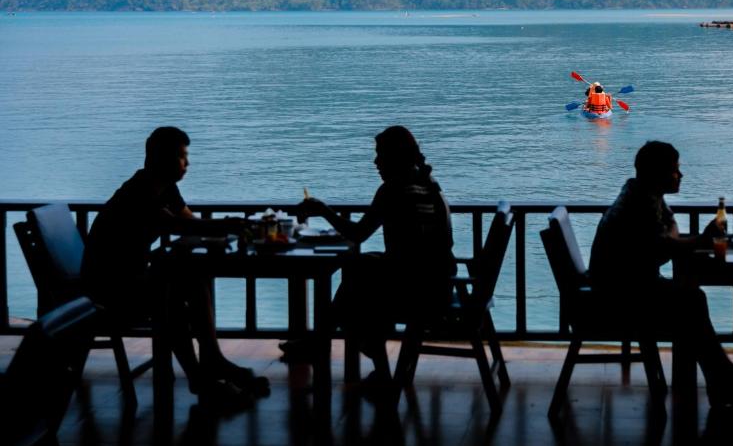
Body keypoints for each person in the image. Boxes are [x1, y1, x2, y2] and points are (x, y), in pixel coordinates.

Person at [81, 126, 268, 410]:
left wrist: (219, 230)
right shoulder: (139, 194)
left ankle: (206, 369)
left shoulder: (164, 188)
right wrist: (229, 225)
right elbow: (180, 225)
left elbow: (189, 222)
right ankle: (208, 367)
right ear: (160, 158)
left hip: (132, 281)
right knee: (181, 286)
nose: (187, 164)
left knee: (184, 282)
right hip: (110, 292)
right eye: (182, 157)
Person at [588, 140, 733, 407]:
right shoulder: (642, 204)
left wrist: (689, 239)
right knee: (690, 301)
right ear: (658, 173)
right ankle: (722, 379)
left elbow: (666, 239)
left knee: (690, 299)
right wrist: (701, 240)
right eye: (675, 169)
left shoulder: (643, 195)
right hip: (617, 298)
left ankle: (721, 379)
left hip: (618, 288)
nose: (680, 175)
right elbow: (665, 245)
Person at [288, 126, 455, 389]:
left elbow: (358, 233)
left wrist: (322, 210)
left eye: (380, 155)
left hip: (417, 293)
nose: (375, 162)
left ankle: (324, 340)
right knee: (359, 273)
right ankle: (325, 340)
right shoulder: (430, 186)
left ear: (395, 157)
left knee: (357, 293)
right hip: (438, 285)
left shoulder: (393, 189)